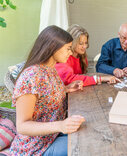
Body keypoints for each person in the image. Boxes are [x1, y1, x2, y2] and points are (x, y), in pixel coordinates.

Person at [10, 25, 85, 155]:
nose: (71, 53)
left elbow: (44, 96)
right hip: (35, 147)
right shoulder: (30, 78)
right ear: (53, 48)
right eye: (68, 48)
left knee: (88, 133)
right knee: (85, 146)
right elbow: (22, 126)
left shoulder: (50, 69)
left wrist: (66, 89)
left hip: (53, 136)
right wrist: (60, 125)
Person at [55, 24, 120, 86]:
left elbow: (81, 77)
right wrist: (100, 79)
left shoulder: (82, 56)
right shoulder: (64, 58)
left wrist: (92, 80)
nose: (85, 46)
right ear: (71, 43)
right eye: (81, 43)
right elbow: (71, 79)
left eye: (86, 43)